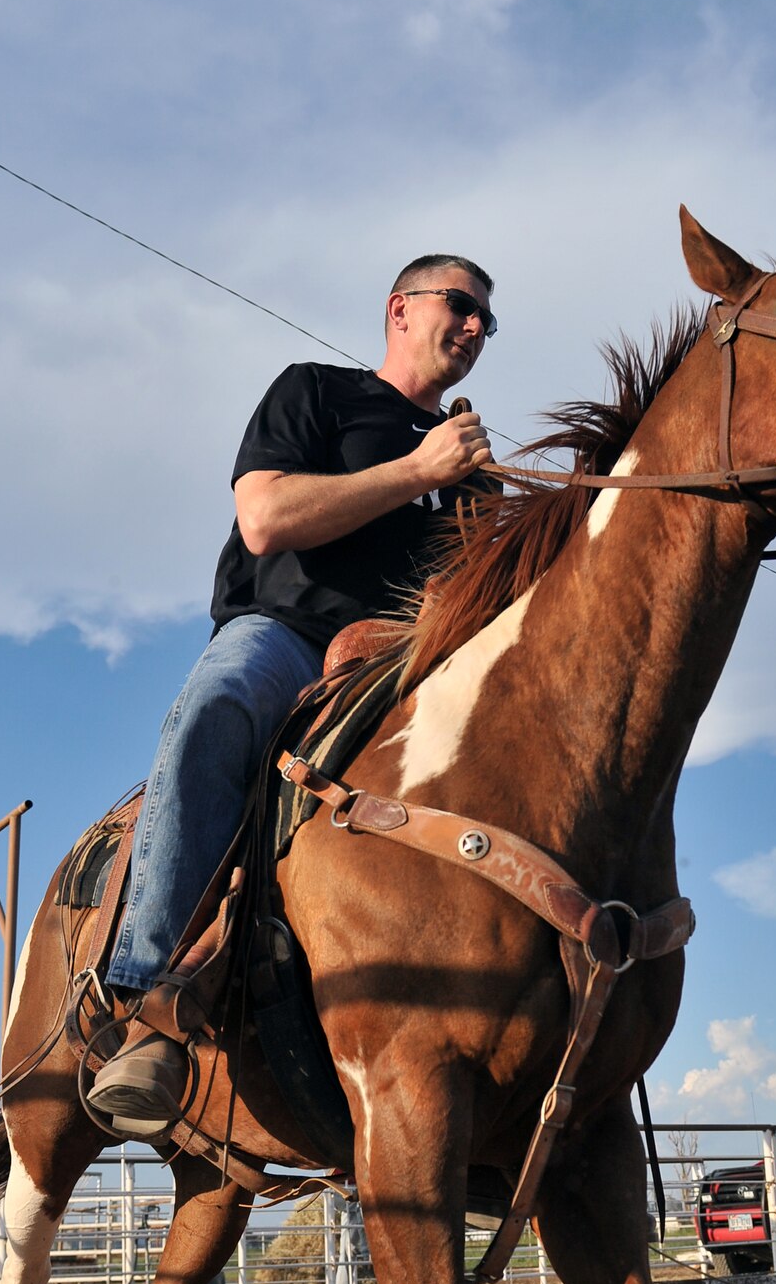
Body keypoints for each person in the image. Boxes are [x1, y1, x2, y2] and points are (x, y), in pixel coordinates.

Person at [88, 255, 497, 1137]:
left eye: (485, 323)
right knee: (218, 705)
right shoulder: (317, 393)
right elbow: (266, 519)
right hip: (290, 636)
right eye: (459, 307)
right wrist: (418, 470)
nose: (472, 329)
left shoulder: (473, 473)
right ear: (400, 308)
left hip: (404, 668)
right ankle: (149, 1006)